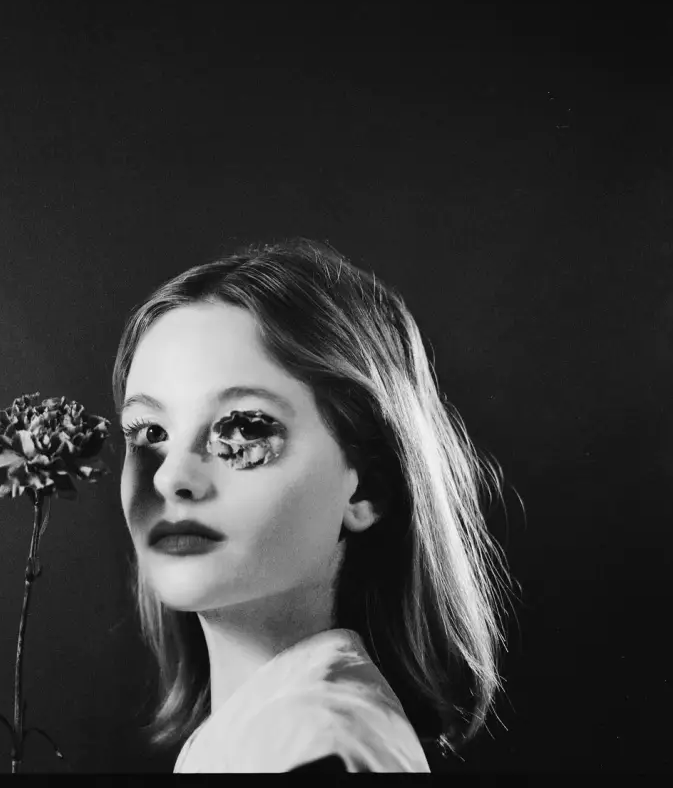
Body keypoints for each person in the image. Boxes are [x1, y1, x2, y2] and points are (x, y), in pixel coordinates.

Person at [110, 237, 512, 773]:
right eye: (150, 432)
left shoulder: (320, 742)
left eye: (246, 428)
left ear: (367, 489)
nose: (171, 476)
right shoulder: (268, 731)